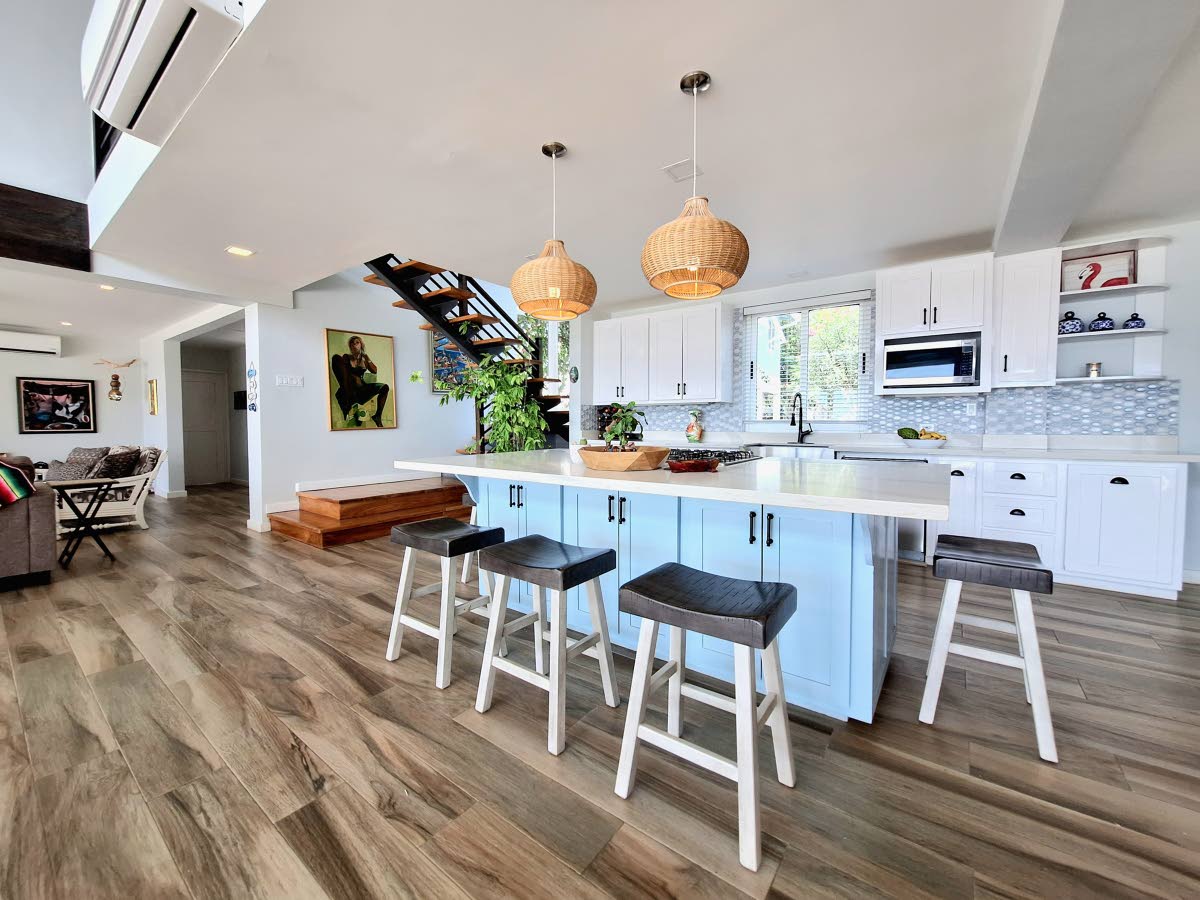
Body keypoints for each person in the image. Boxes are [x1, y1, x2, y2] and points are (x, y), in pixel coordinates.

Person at [330, 335, 390, 427]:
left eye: (357, 343)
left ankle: (377, 416)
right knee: (336, 358)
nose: (354, 345)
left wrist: (367, 358)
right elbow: (343, 374)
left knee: (385, 387)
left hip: (362, 388)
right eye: (352, 344)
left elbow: (374, 371)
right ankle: (352, 408)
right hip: (349, 388)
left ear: (361, 345)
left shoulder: (364, 358)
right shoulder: (346, 357)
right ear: (350, 346)